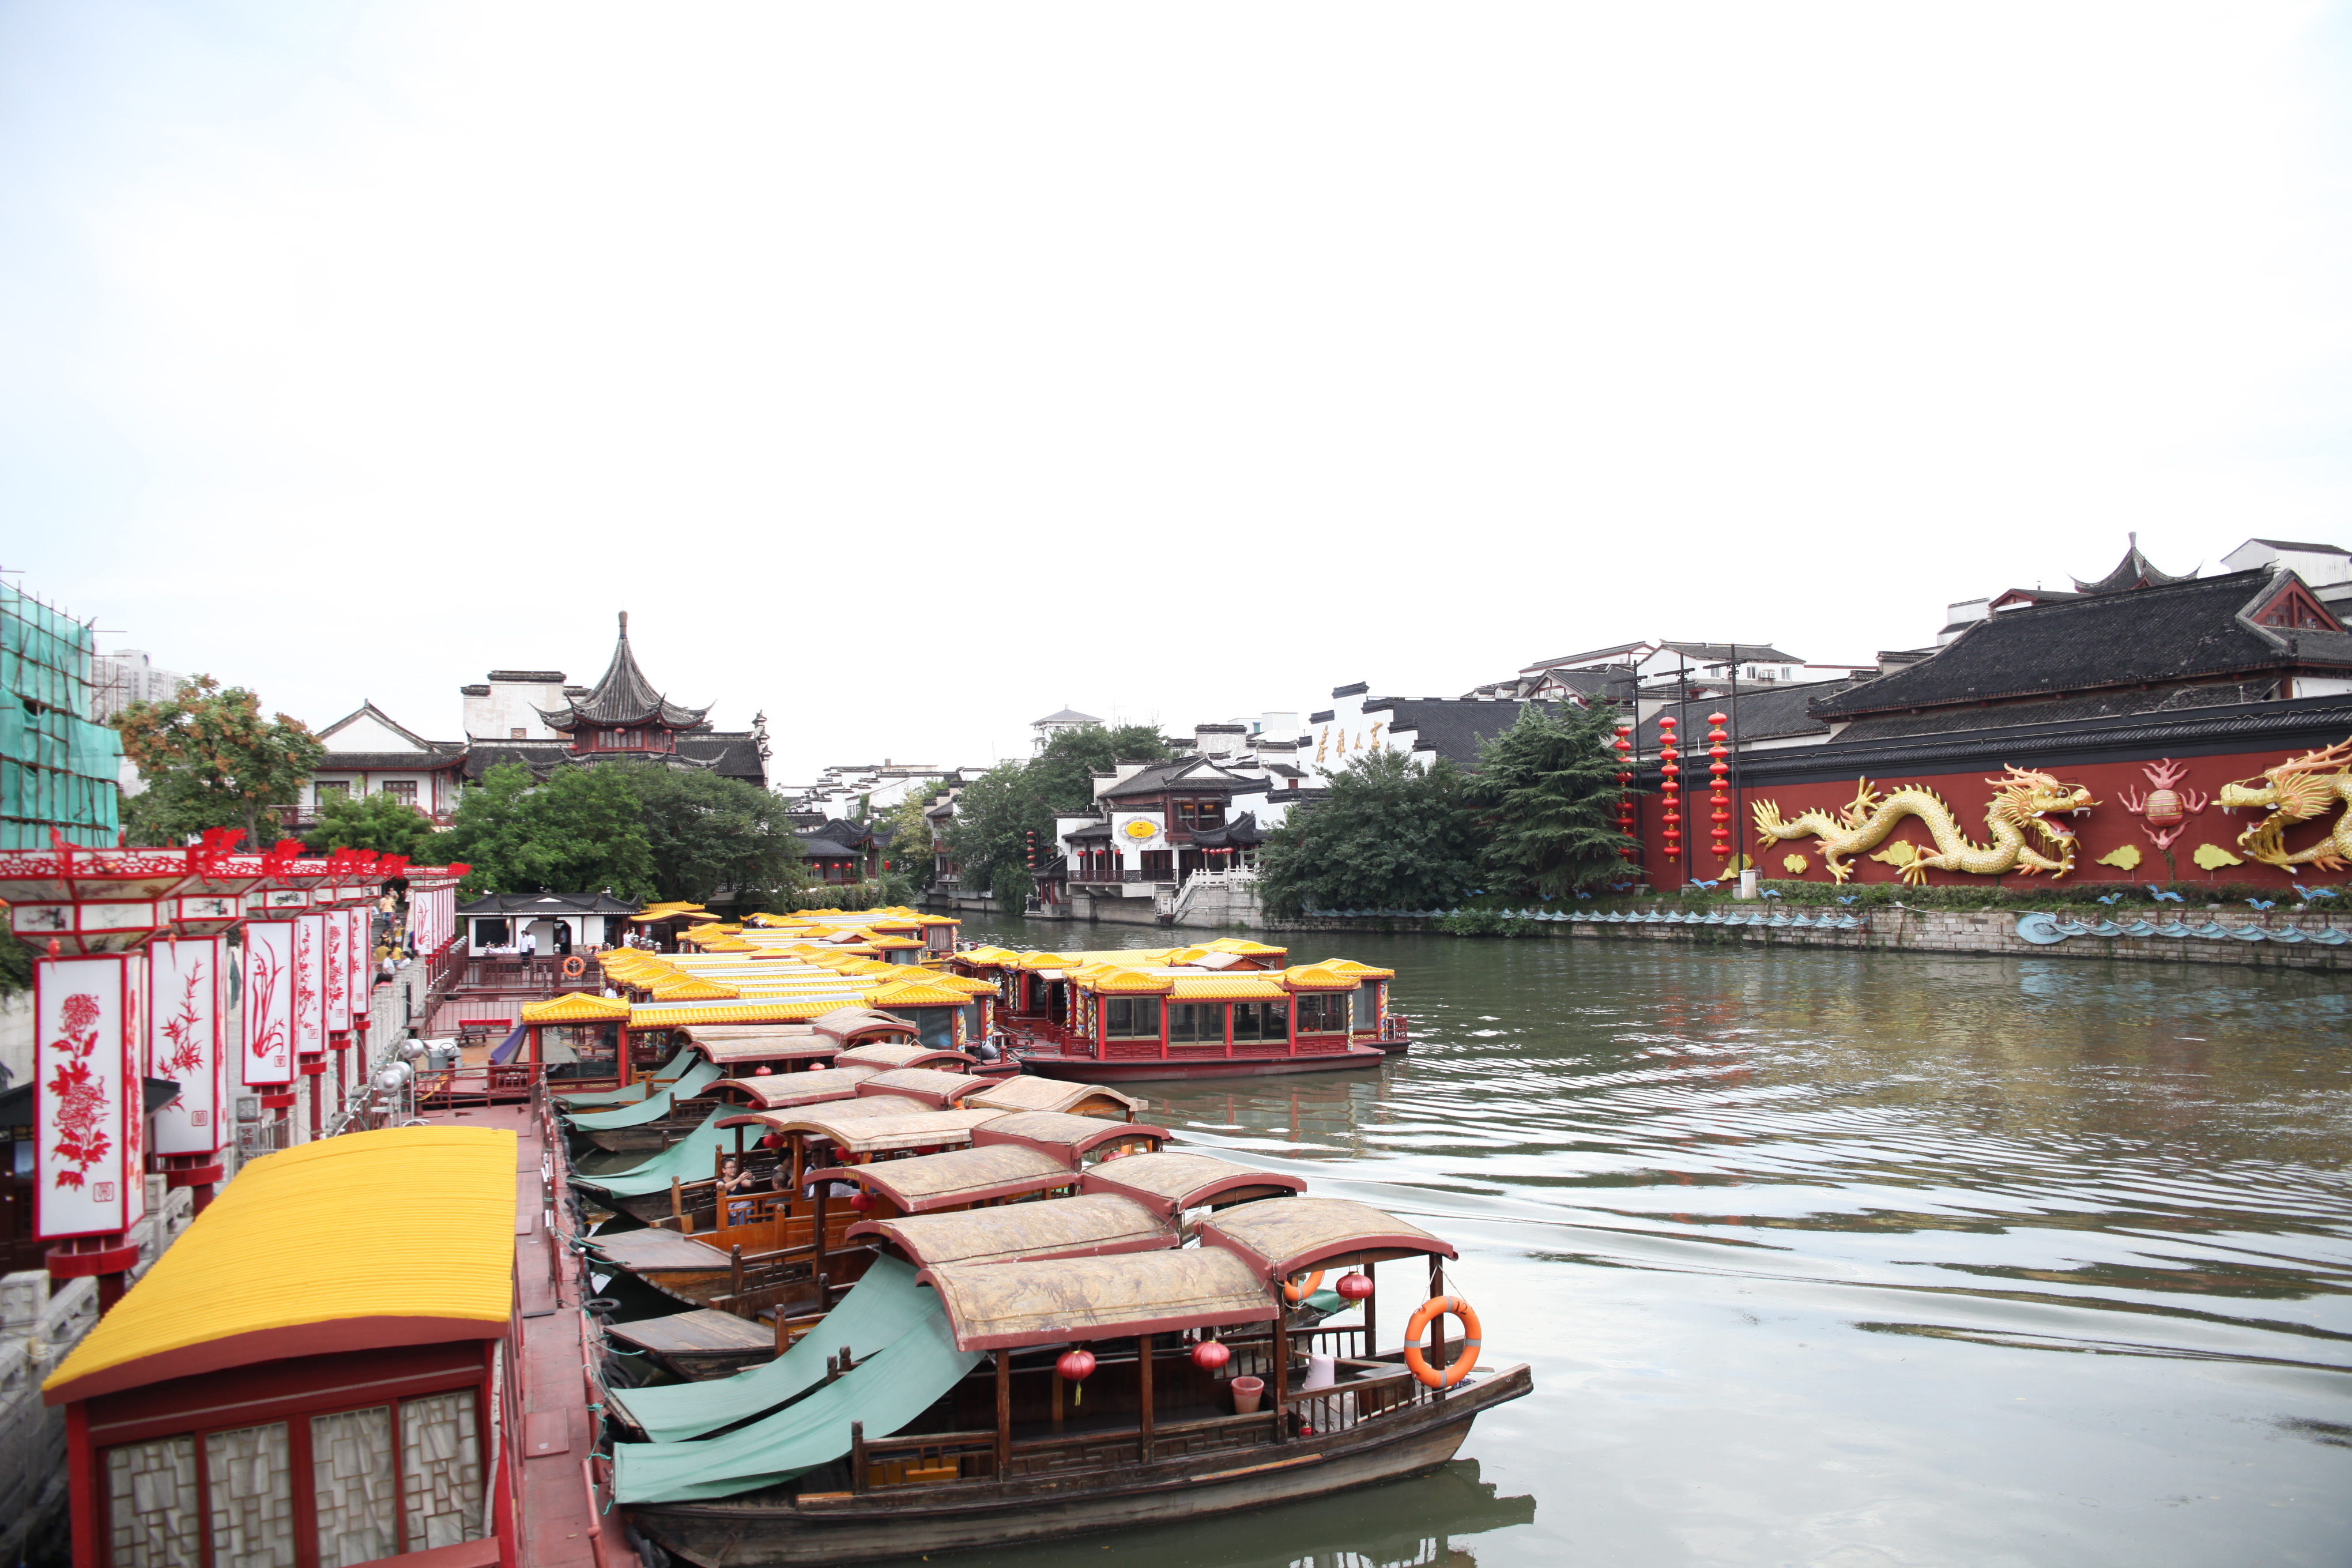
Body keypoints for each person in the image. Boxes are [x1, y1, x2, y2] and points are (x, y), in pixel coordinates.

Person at [717, 1154, 758, 1225]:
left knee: (747, 1212)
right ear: (724, 1170)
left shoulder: (738, 1180)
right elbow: (722, 1188)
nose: (733, 1169)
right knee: (748, 1219)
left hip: (741, 1212)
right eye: (730, 1168)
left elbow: (751, 1184)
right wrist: (739, 1179)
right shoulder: (720, 1181)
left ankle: (740, 1226)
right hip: (729, 1214)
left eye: (734, 1167)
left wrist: (752, 1178)